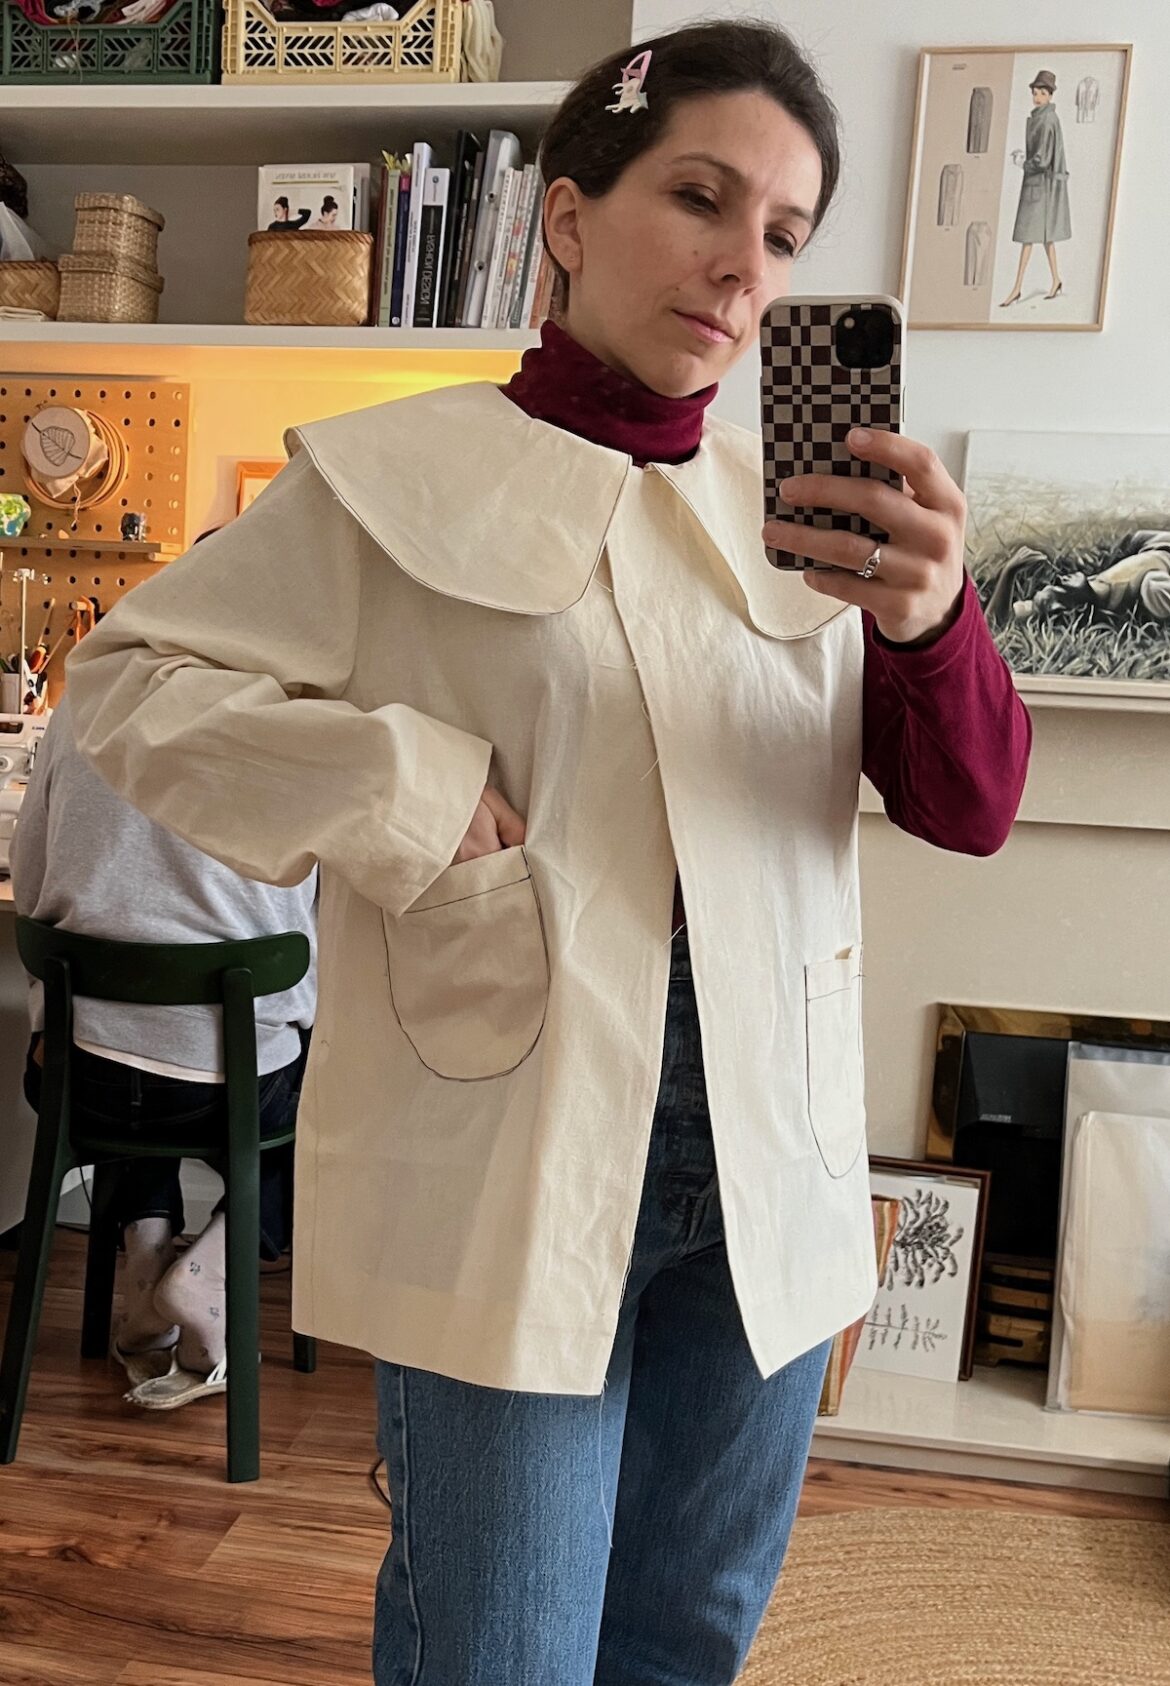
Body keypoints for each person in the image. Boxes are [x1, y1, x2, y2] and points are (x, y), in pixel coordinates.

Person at [63, 20, 1031, 1682]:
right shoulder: (388, 481)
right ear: (567, 218)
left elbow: (972, 805)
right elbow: (127, 682)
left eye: (784, 232)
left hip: (771, 1153)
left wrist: (932, 620)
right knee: (498, 1650)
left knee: (686, 1635)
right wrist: (399, 782)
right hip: (509, 1144)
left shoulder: (808, 520)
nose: (741, 266)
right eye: (699, 198)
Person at [10, 691, 317, 1410]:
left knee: (123, 1048)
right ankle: (210, 1268)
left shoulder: (86, 703)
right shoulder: (298, 713)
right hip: (230, 1083)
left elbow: (29, 878)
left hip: (84, 1078)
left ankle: (146, 1263)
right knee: (331, 1110)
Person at [1001, 68, 1070, 307]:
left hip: (1040, 186)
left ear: (1050, 95)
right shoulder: (1043, 117)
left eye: (1042, 93)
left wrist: (1022, 162)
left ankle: (1017, 288)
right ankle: (1055, 280)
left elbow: (1042, 160)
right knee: (1043, 237)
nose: (1037, 97)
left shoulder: (1047, 119)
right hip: (1039, 185)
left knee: (1029, 237)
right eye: (1035, 92)